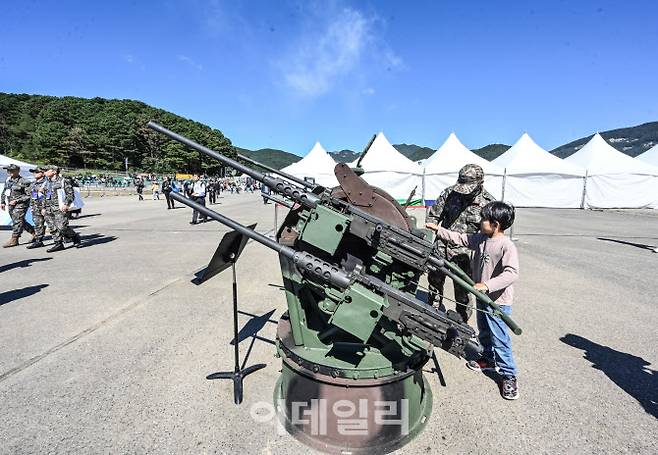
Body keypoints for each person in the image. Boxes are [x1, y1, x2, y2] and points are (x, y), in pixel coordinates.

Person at [426, 201, 520, 400]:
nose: (480, 221)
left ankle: (509, 375)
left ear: (495, 224)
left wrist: (487, 285)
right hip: (482, 297)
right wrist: (439, 230)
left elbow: (512, 274)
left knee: (500, 337)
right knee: (484, 330)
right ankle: (487, 358)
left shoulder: (506, 245)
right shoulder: (481, 238)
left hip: (497, 301)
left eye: (485, 219)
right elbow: (461, 238)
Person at [426, 164, 495, 323]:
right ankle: (431, 317)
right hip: (441, 249)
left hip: (465, 256)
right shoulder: (449, 193)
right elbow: (433, 218)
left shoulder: (488, 204)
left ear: (480, 183)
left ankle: (461, 324)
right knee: (434, 286)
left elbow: (491, 235)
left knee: (463, 293)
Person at [43, 165, 81, 252]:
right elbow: (45, 196)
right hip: (48, 208)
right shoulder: (47, 182)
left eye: (46, 170)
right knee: (52, 227)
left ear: (54, 171)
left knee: (62, 227)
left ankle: (74, 236)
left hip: (60, 208)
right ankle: (58, 243)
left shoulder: (63, 181)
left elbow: (70, 194)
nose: (44, 172)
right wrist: (43, 207)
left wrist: (66, 204)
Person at [2, 164, 35, 248]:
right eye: (8, 170)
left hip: (21, 204)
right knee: (20, 221)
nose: (10, 172)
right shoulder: (8, 180)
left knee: (17, 221)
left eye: (12, 170)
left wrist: (17, 200)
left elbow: (29, 195)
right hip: (10, 204)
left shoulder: (24, 181)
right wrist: (2, 202)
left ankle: (14, 239)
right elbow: (5, 191)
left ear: (18, 171)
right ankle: (34, 233)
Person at [26, 167, 48, 249]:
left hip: (46, 207)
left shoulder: (47, 182)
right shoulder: (33, 183)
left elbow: (50, 196)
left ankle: (68, 236)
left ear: (42, 173)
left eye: (37, 172)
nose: (34, 173)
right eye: (33, 172)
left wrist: (44, 207)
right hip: (35, 207)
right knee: (38, 224)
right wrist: (31, 206)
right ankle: (39, 241)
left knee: (55, 224)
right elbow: (31, 196)